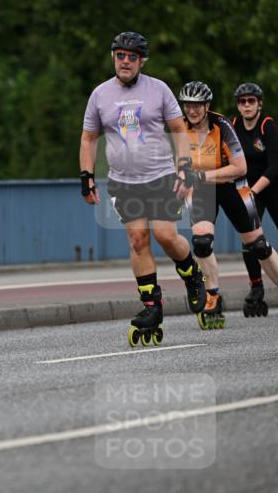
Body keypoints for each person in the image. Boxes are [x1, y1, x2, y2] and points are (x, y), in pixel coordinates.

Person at [80, 31, 206, 347]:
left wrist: (185, 167)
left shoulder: (158, 89)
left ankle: (192, 273)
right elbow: (88, 138)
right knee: (138, 240)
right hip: (124, 181)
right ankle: (152, 306)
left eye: (131, 57)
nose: (125, 61)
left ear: (141, 61)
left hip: (161, 175)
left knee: (165, 236)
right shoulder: (100, 95)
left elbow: (179, 129)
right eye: (120, 55)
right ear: (114, 57)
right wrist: (87, 176)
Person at [178, 81, 278, 326]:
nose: (192, 111)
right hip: (203, 189)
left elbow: (241, 168)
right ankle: (213, 296)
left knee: (258, 246)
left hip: (233, 184)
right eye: (188, 105)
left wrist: (202, 176)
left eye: (197, 105)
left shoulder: (223, 126)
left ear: (207, 105)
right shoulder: (179, 128)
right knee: (202, 242)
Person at [231, 82, 278, 315]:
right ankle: (256, 288)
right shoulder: (233, 126)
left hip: (273, 186)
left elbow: (275, 166)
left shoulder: (267, 126)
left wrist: (254, 191)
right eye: (242, 101)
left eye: (251, 101)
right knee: (250, 241)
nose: (246, 105)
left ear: (259, 104)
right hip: (249, 188)